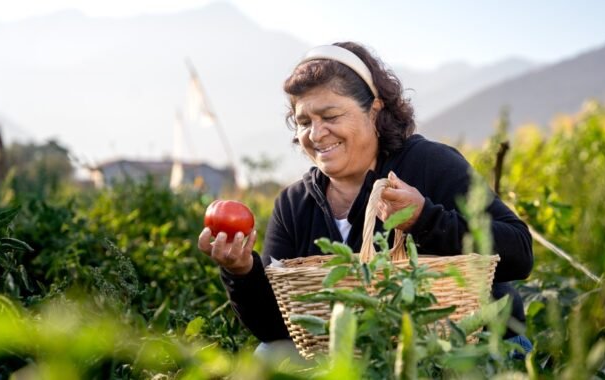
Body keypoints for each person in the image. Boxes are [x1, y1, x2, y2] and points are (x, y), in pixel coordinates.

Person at [198, 41, 534, 358]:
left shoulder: (429, 164)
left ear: (374, 111)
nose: (315, 134)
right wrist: (241, 271)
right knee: (269, 357)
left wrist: (426, 220)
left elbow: (519, 253)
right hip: (361, 357)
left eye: (330, 117)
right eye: (304, 122)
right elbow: (278, 330)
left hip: (473, 350)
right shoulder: (293, 204)